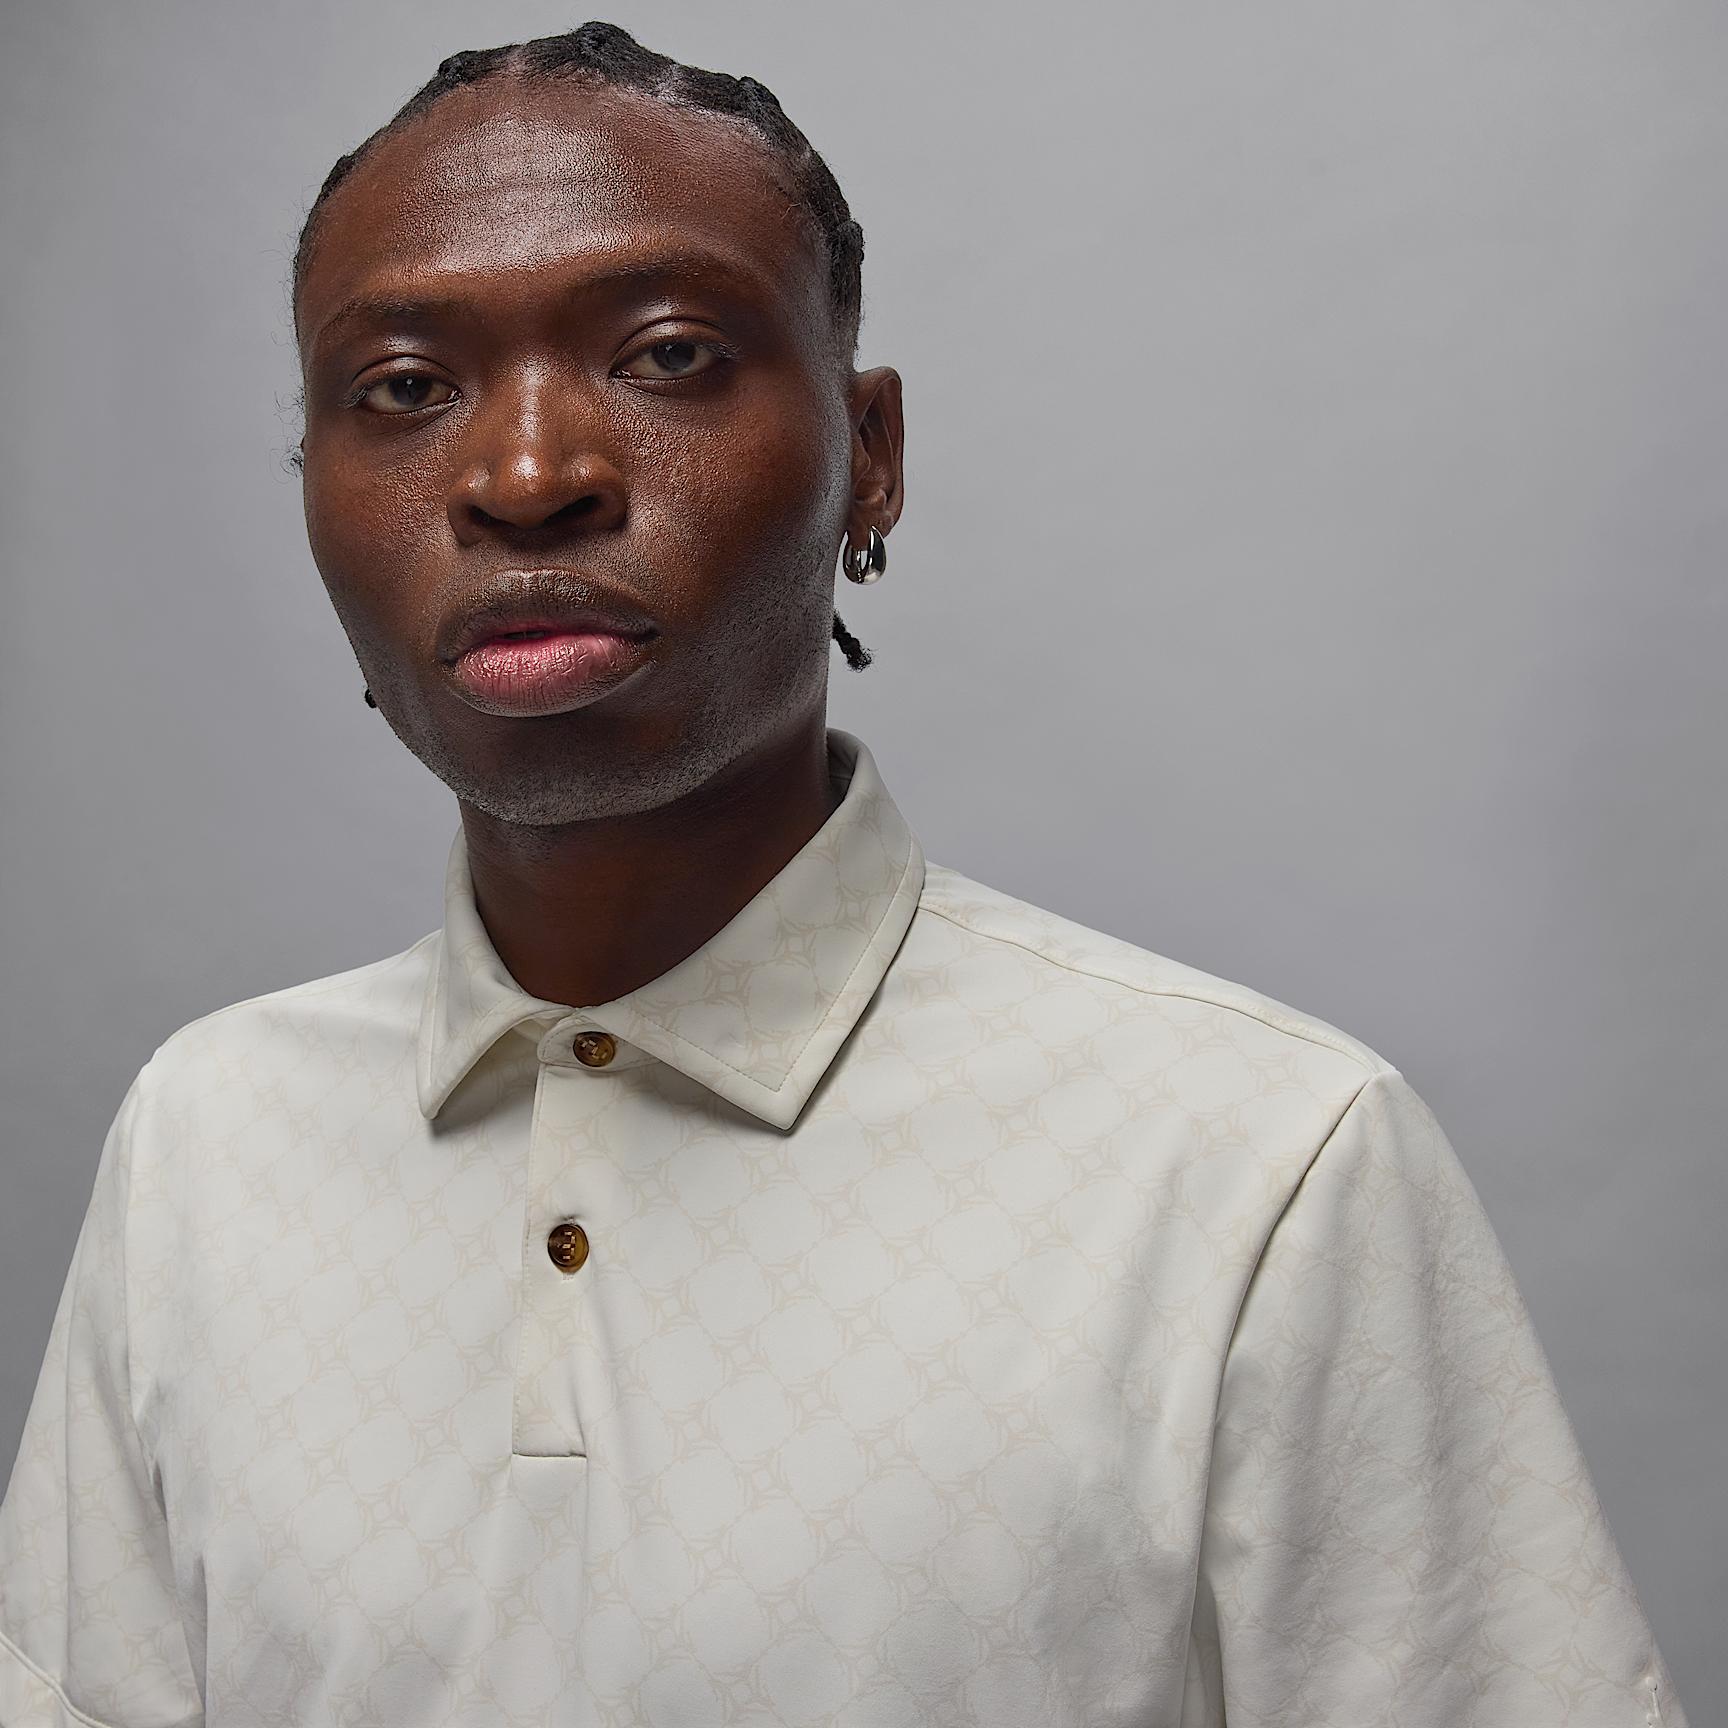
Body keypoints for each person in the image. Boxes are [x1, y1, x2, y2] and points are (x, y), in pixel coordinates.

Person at [0, 20, 1691, 1728]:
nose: (526, 477)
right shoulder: (207, 1144)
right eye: (403, 390)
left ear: (868, 454)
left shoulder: (1261, 1167)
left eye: (666, 355)